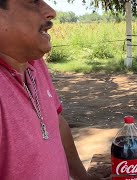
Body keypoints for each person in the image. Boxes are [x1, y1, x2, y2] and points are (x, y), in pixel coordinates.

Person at [0, 0, 97, 179]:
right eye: (33, 2)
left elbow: (56, 124)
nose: (51, 12)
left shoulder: (35, 62)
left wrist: (84, 178)